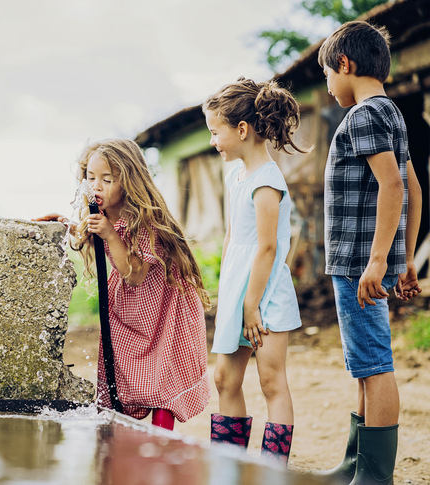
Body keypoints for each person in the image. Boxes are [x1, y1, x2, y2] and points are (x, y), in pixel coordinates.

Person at [35, 138, 211, 430]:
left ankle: (157, 444)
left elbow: (135, 273)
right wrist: (68, 224)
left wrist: (110, 235)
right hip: (130, 311)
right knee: (126, 371)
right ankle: (127, 441)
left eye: (107, 179)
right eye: (90, 178)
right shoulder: (101, 214)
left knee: (161, 380)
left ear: (128, 180)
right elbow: (93, 237)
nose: (96, 186)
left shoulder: (146, 219)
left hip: (164, 313)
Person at [315, 21, 422, 485]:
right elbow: (414, 189)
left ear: (345, 64)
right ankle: (355, 464)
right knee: (364, 364)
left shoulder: (363, 116)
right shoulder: (392, 113)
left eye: (327, 76)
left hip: (360, 264)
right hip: (367, 262)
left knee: (374, 365)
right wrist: (407, 258)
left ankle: (374, 475)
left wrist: (380, 261)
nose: (329, 87)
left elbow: (394, 186)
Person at [203, 77, 306, 465]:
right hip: (239, 293)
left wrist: (251, 304)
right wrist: (227, 290)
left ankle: (271, 471)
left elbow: (267, 247)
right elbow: (234, 238)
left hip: (265, 297)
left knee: (270, 381)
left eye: (216, 132)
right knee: (224, 379)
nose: (213, 141)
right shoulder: (236, 176)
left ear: (241, 130)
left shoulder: (267, 182)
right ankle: (229, 467)